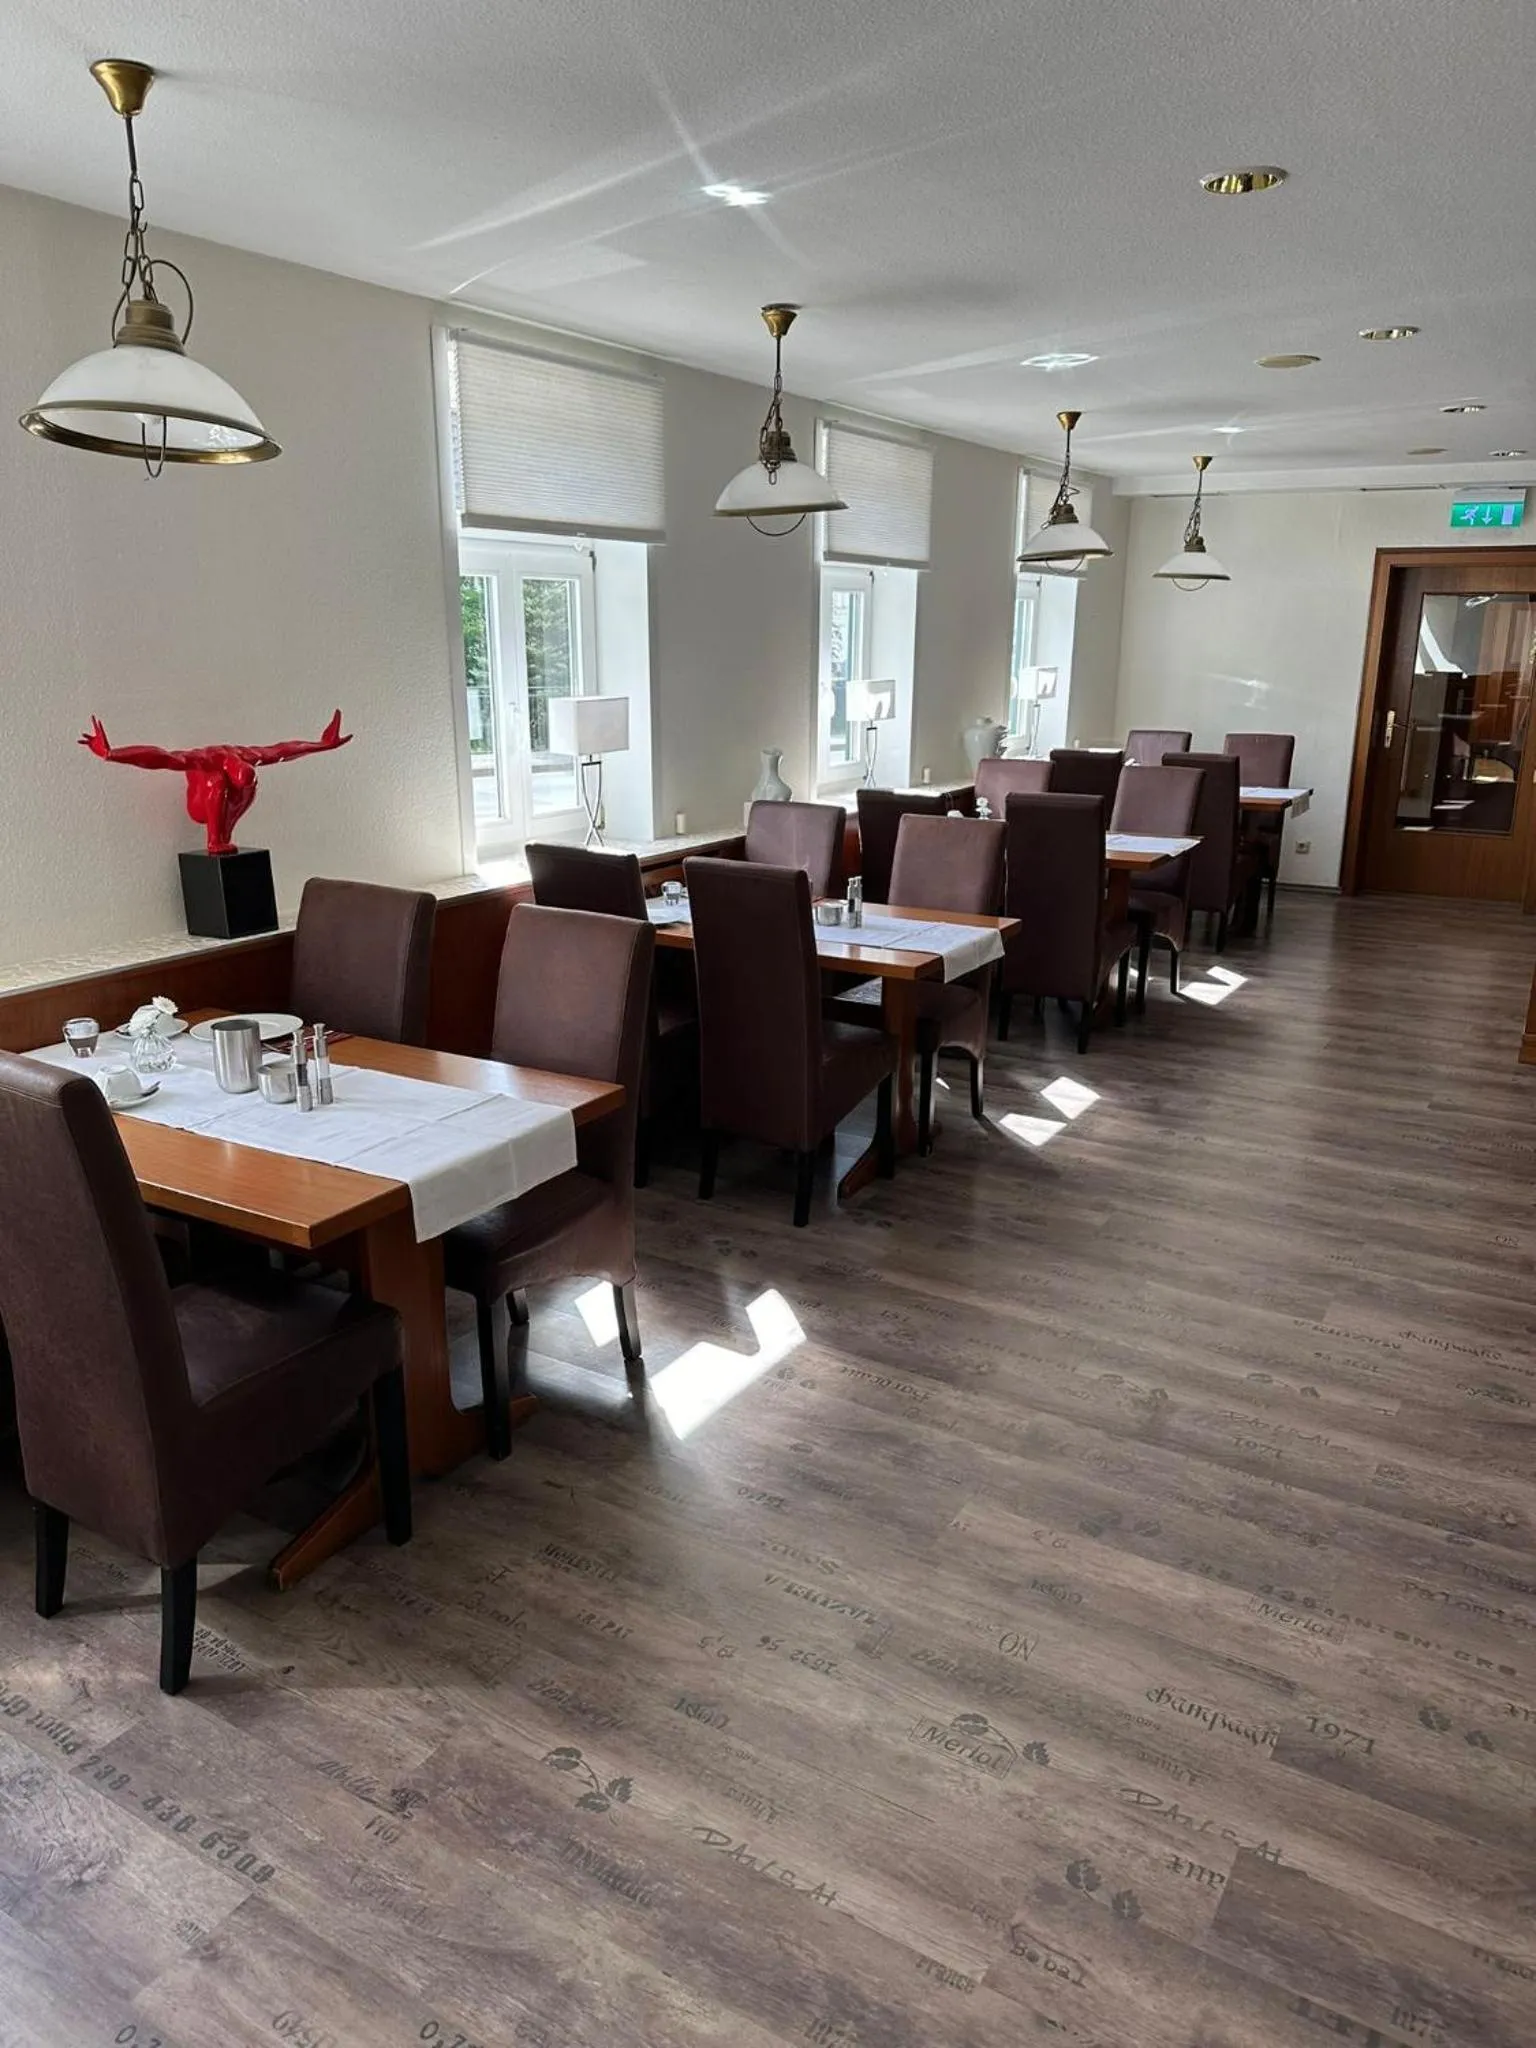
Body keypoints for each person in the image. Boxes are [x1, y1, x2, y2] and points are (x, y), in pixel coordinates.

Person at [80, 708, 351, 855]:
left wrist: (322, 745)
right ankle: (214, 840)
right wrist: (111, 754)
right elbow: (159, 757)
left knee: (249, 786)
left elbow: (284, 750)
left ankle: (225, 835)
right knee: (215, 782)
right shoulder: (205, 759)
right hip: (200, 807)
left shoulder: (248, 756)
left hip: (227, 807)